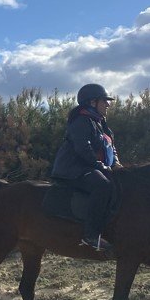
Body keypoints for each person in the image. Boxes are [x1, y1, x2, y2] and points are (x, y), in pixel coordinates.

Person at [52, 84, 121, 252]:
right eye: (105, 101)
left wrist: (117, 163)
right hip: (74, 169)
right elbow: (83, 148)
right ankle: (90, 235)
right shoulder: (81, 121)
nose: (108, 104)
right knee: (102, 185)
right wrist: (101, 166)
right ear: (92, 102)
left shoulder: (101, 123)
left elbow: (111, 147)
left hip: (92, 167)